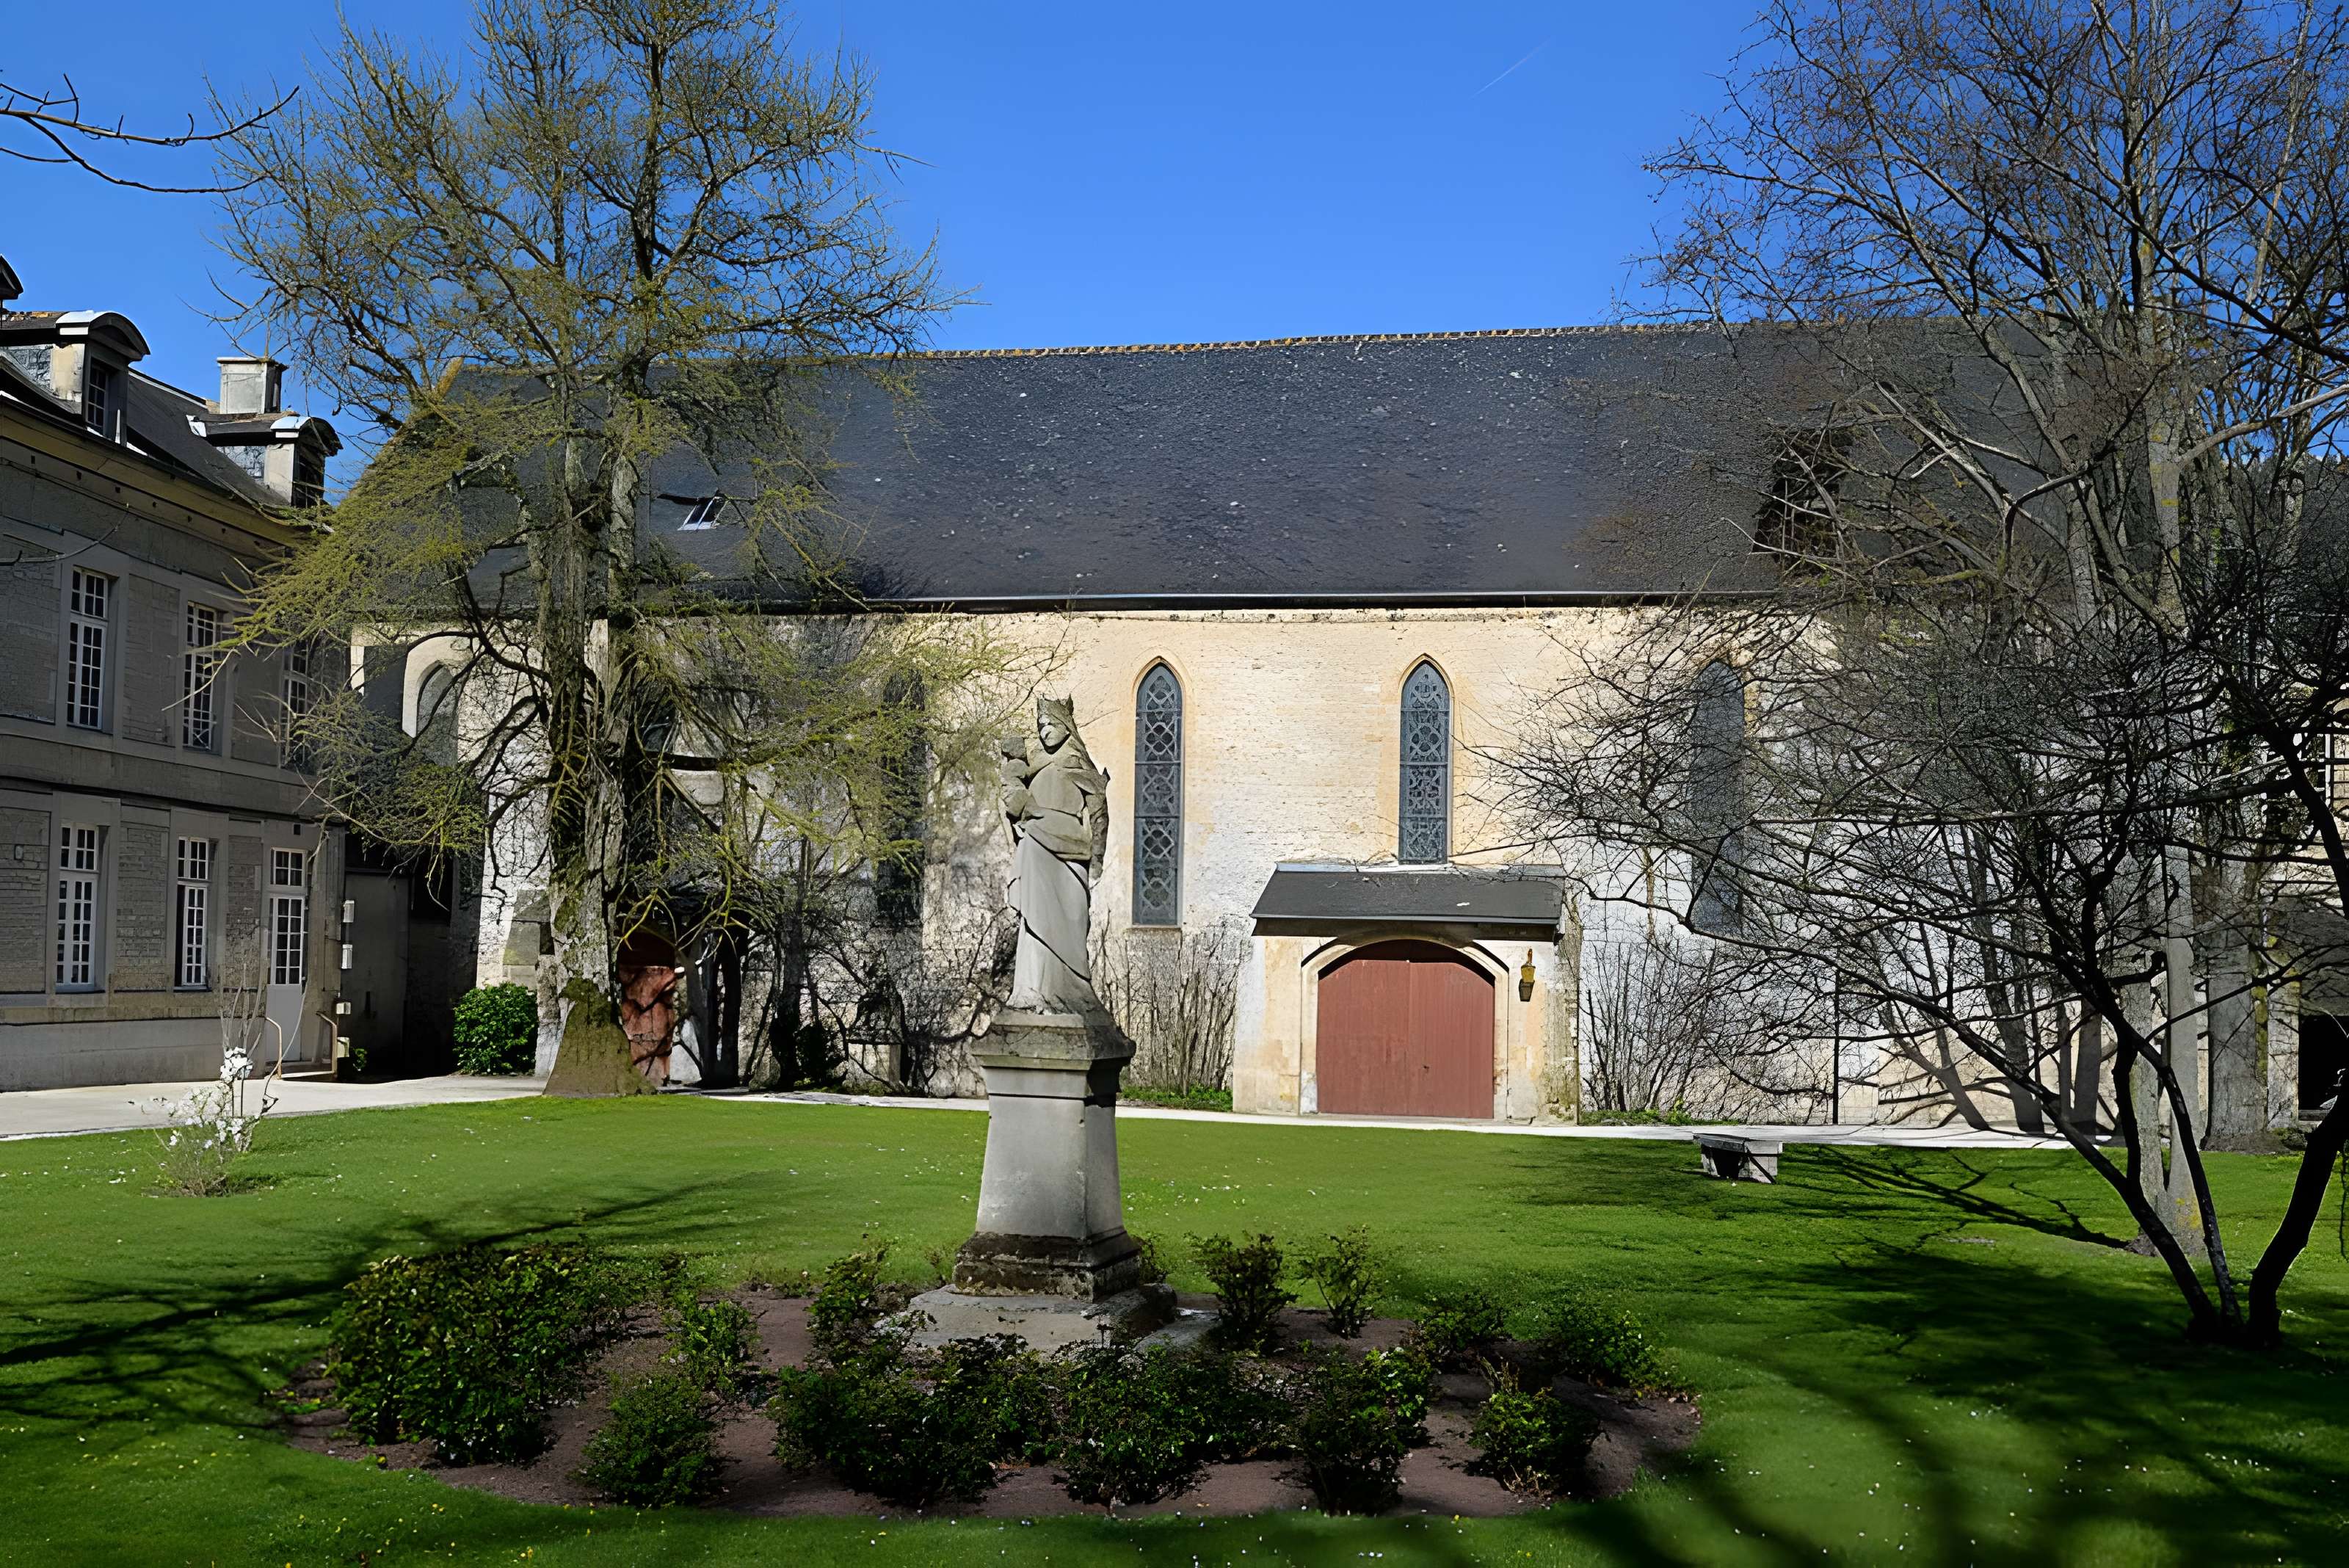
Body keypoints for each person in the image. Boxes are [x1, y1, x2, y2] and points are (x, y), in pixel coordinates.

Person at [1001, 696, 1109, 1014]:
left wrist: (1098, 859)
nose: (1045, 731)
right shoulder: (1033, 764)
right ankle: (1032, 989)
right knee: (1033, 924)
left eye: (1051, 724)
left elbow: (1099, 813)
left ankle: (1070, 991)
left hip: (1071, 851)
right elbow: (1012, 805)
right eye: (1041, 726)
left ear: (1066, 726)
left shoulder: (1078, 763)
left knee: (1072, 922)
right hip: (1036, 846)